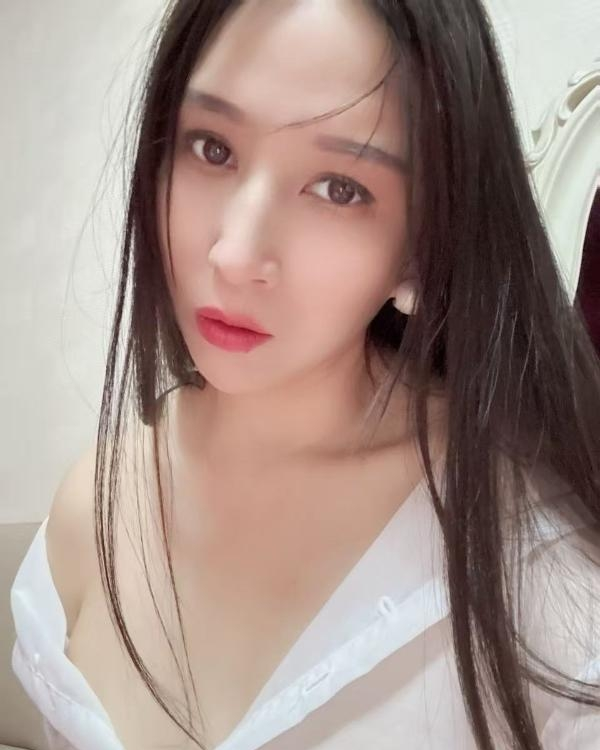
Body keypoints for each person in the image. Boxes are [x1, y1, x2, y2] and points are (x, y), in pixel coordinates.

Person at [10, 1, 600, 749]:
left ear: (421, 245)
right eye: (212, 148)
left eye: (340, 188)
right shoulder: (92, 505)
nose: (234, 254)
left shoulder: (533, 567)